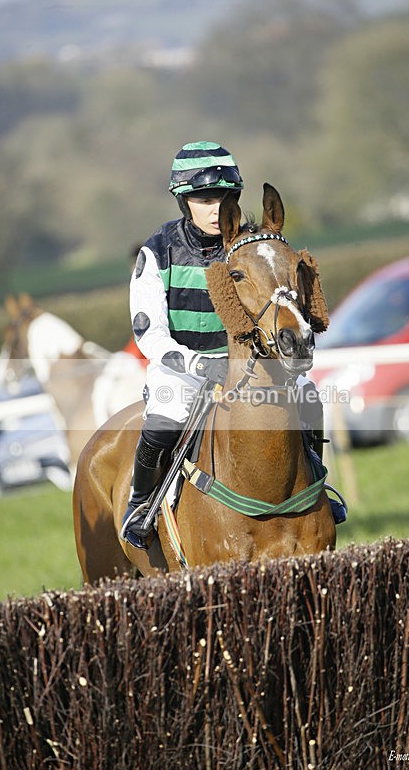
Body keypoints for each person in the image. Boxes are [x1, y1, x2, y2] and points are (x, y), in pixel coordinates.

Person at [121, 140, 345, 549]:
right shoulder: (156, 252)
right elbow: (148, 334)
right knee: (166, 418)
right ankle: (141, 504)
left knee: (309, 397)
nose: (215, 208)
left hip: (247, 366)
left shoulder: (251, 248)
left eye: (223, 198)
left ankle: (314, 483)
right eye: (204, 199)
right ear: (184, 201)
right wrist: (200, 365)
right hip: (183, 369)